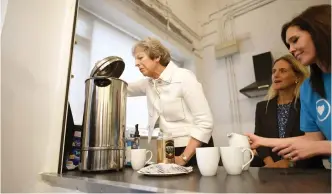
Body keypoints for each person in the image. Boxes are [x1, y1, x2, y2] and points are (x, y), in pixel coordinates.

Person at [246, 4, 331, 163]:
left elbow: (314, 146)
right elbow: (311, 139)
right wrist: (262, 141)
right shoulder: (309, 89)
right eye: (288, 44)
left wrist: (320, 147)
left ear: (319, 32)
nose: (291, 49)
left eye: (295, 40)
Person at [127, 37, 214, 166]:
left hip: (195, 149)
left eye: (140, 58)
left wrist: (184, 157)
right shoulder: (148, 83)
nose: (136, 63)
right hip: (169, 148)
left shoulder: (183, 77)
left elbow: (205, 122)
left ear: (156, 56)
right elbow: (124, 88)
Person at [254, 54, 323, 168]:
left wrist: (289, 163)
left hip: (307, 173)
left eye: (283, 71)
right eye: (274, 71)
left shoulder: (307, 104)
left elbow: (314, 141)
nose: (276, 75)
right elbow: (260, 141)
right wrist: (272, 166)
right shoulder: (262, 107)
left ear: (296, 77)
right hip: (273, 173)